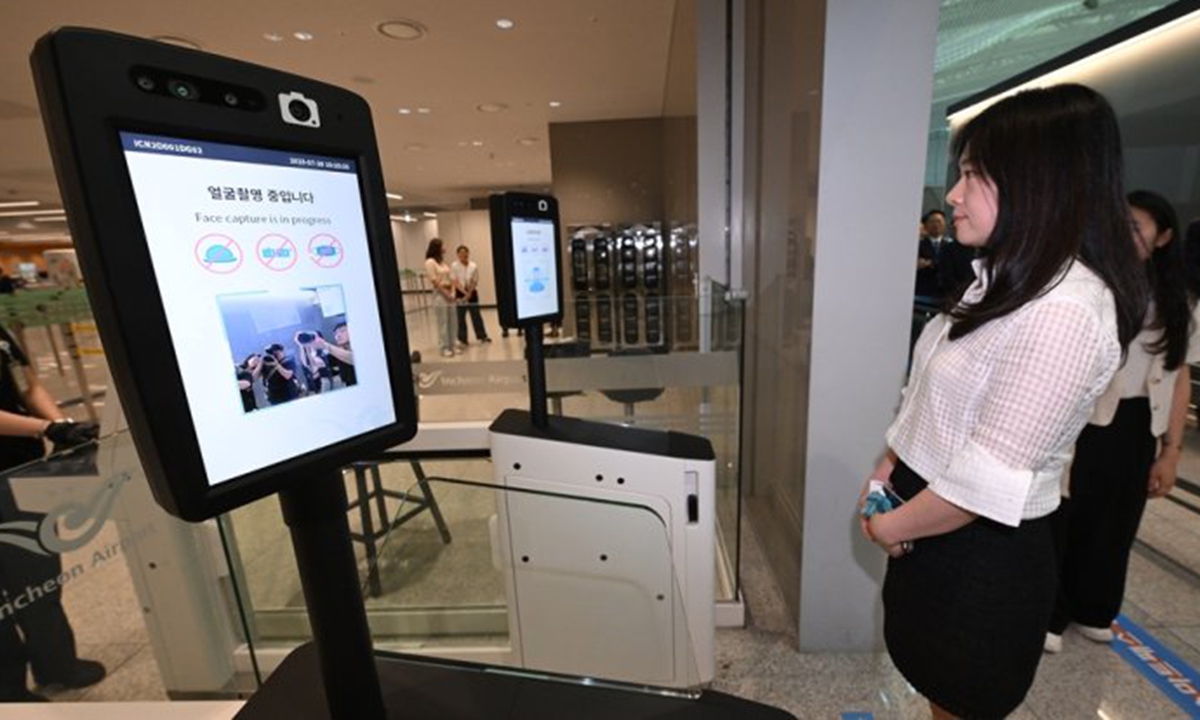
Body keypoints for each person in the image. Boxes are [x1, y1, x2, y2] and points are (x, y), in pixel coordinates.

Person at [859, 84, 1147, 719]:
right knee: (935, 693)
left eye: (972, 175)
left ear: (1038, 182)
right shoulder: (1003, 281)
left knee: (959, 698)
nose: (954, 195)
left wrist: (890, 525)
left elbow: (984, 480)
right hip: (928, 531)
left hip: (975, 559)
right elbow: (930, 401)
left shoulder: (1066, 311)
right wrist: (887, 469)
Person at [1046, 190, 1200, 653]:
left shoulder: (1182, 301)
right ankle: (1050, 614)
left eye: (1137, 226)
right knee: (1066, 514)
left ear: (1164, 237)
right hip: (1084, 418)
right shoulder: (1090, 284)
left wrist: (1171, 450)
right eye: (1121, 223)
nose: (1125, 233)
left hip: (1138, 422)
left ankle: (1095, 607)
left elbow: (1179, 378)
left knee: (1116, 521)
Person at [0, 322, 104, 702]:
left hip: (22, 472)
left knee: (37, 572)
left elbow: (27, 383)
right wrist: (46, 427)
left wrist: (62, 425)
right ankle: (7, 687)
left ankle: (56, 663)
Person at [450, 245, 492, 346]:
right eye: (461, 253)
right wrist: (464, 294)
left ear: (468, 253)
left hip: (472, 292)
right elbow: (454, 281)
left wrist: (469, 293)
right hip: (460, 293)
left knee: (476, 315)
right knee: (460, 316)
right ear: (458, 254)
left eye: (465, 252)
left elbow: (475, 280)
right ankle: (462, 339)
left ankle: (482, 336)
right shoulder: (454, 265)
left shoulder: (473, 265)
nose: (463, 254)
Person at [424, 238, 458, 358]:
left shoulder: (443, 262)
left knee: (452, 320)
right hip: (440, 294)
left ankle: (452, 345)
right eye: (443, 246)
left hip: (450, 292)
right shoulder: (430, 262)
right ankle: (444, 347)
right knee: (443, 322)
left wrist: (453, 292)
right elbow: (435, 282)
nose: (445, 248)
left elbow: (451, 278)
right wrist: (446, 294)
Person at [914, 209, 947, 300]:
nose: (936, 225)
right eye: (932, 222)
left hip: (944, 293)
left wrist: (929, 263)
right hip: (923, 292)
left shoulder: (950, 246)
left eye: (939, 221)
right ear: (925, 225)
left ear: (944, 224)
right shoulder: (917, 245)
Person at [314, 323, 355, 388]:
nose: (338, 335)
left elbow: (353, 358)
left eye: (342, 331)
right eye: (335, 334)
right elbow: (318, 363)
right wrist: (306, 347)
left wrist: (324, 345)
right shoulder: (336, 353)